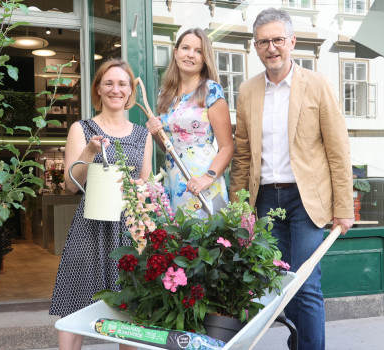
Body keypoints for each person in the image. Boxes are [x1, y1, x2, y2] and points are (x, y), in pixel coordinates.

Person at [229, 8, 354, 350]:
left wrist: (344, 208)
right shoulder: (247, 91)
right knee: (283, 282)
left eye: (278, 40)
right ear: (255, 47)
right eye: (264, 42)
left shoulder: (317, 85)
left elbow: (338, 150)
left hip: (306, 201)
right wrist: (238, 208)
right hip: (267, 201)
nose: (272, 48)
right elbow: (241, 155)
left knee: (305, 282)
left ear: (292, 42)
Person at [49, 58, 153, 350]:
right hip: (90, 225)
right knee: (75, 301)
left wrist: (139, 187)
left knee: (129, 308)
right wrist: (90, 150)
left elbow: (144, 184)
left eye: (122, 84)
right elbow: (72, 184)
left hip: (129, 229)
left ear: (130, 92)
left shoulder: (143, 135)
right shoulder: (81, 129)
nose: (115, 89)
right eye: (108, 83)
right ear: (98, 90)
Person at [145, 28, 233, 218]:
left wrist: (207, 178)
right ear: (175, 53)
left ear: (204, 58)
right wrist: (156, 133)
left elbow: (227, 147)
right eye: (185, 48)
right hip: (175, 177)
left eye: (198, 51)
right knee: (179, 242)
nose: (190, 55)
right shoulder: (166, 95)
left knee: (206, 240)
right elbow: (169, 147)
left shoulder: (211, 91)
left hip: (203, 180)